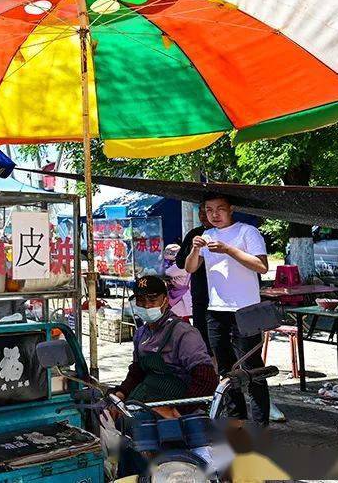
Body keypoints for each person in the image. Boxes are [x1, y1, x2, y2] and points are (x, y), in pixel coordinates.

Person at [112, 275, 218, 477]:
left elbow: (207, 378)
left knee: (139, 435)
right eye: (141, 301)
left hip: (175, 405)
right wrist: (121, 394)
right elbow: (137, 371)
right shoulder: (141, 333)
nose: (146, 306)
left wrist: (177, 409)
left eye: (152, 300)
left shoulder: (183, 333)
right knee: (119, 432)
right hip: (145, 400)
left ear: (165, 300)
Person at [184, 194, 270, 427]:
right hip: (215, 309)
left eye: (220, 209)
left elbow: (262, 266)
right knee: (225, 370)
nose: (215, 214)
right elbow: (191, 268)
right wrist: (194, 250)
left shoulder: (247, 232)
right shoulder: (207, 235)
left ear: (231, 209)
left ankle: (261, 424)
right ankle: (236, 421)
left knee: (252, 368)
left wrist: (229, 250)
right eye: (209, 210)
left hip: (245, 309)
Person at [176, 206, 212, 351]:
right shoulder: (195, 234)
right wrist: (193, 249)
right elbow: (180, 263)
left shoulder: (231, 234)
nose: (203, 216)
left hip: (226, 297)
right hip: (200, 293)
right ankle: (209, 368)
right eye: (201, 213)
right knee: (202, 336)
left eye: (206, 212)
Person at [162, 243, 193, 320]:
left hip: (180, 297)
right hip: (178, 295)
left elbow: (165, 273)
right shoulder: (179, 264)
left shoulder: (179, 266)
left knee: (178, 320)